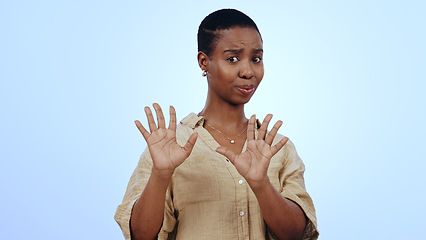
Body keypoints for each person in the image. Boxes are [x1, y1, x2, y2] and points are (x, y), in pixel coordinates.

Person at [115, 9, 319, 240]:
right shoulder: (171, 145)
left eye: (256, 59)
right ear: (204, 62)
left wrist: (261, 184)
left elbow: (297, 234)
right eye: (232, 58)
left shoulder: (277, 148)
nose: (248, 71)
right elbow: (140, 235)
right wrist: (161, 174)